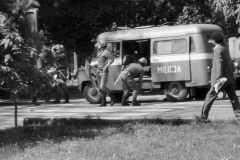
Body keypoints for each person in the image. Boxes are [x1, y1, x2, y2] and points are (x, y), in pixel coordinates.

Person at [195, 32, 240, 122]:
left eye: (210, 39)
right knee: (233, 97)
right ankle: (239, 116)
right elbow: (230, 64)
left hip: (220, 80)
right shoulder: (225, 49)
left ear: (214, 40)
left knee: (209, 96)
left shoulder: (217, 50)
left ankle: (203, 118)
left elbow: (219, 64)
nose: (209, 41)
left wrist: (219, 78)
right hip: (229, 78)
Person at [95, 40, 117, 107]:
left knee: (103, 86)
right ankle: (103, 102)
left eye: (99, 45)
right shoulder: (100, 53)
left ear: (101, 45)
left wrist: (106, 66)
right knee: (100, 88)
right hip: (99, 71)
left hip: (104, 71)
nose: (97, 46)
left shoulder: (106, 52)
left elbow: (112, 59)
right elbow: (100, 62)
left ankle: (113, 98)